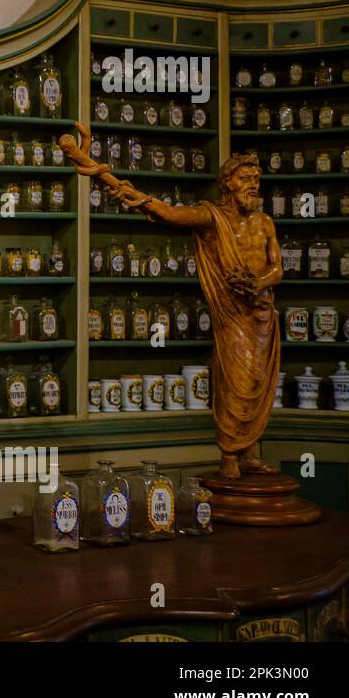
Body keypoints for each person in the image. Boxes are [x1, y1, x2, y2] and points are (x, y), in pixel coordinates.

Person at [70, 147, 281, 480]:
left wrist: (258, 282)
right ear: (228, 183)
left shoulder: (265, 222)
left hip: (262, 313)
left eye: (256, 179)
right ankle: (229, 452)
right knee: (235, 381)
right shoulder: (212, 216)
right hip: (232, 316)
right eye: (246, 178)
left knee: (259, 380)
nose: (253, 185)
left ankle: (250, 452)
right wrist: (135, 196)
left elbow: (277, 269)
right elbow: (169, 214)